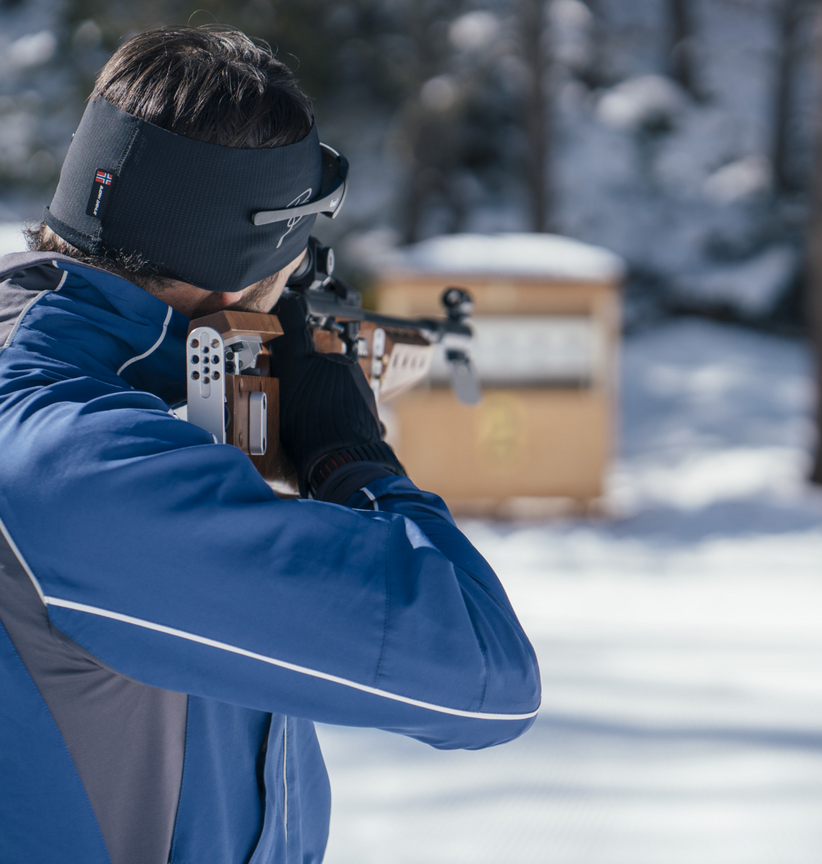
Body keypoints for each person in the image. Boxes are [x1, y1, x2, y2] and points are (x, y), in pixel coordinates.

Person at [0, 25, 540, 864]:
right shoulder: (83, 465)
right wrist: (351, 458)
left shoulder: (53, 379)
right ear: (245, 274)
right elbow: (488, 682)